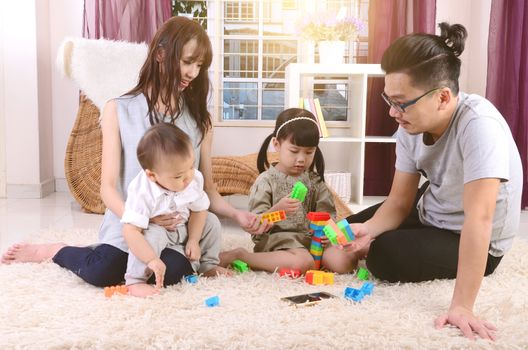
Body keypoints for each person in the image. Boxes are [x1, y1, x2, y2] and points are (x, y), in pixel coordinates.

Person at [1, 16, 268, 287]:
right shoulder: (118, 109)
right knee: (103, 272)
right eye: (188, 62)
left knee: (173, 272)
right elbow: (107, 188)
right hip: (128, 220)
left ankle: (202, 257)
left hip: (174, 231)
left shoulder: (201, 121)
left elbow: (207, 189)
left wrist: (237, 215)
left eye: (199, 65)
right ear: (161, 54)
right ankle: (56, 250)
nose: (193, 73)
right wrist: (143, 218)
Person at [344, 23, 523, 341]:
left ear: (442, 97)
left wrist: (463, 306)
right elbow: (399, 202)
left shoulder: (479, 126)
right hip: (436, 206)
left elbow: (479, 219)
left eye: (401, 103)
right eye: (389, 100)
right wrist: (368, 228)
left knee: (383, 255)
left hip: (476, 234)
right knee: (346, 229)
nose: (392, 113)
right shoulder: (408, 126)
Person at [220, 108, 359, 274]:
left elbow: (328, 215)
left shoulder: (314, 181)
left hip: (312, 241)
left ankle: (315, 259)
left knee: (345, 262)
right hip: (279, 241)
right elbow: (255, 224)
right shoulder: (266, 181)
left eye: (309, 152)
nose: (301, 159)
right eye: (294, 151)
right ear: (277, 145)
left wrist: (329, 234)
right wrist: (278, 210)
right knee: (302, 262)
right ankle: (242, 256)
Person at [121, 123, 224, 297]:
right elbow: (130, 231)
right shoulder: (142, 191)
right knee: (151, 237)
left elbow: (199, 210)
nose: (187, 178)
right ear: (152, 175)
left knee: (212, 221)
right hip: (159, 230)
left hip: (185, 225)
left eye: (191, 167)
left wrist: (193, 239)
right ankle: (135, 280)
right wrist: (151, 259)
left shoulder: (193, 179)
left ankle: (208, 265)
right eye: (178, 176)